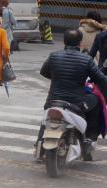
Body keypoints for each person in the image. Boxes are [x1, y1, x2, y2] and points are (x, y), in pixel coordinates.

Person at [39, 29, 107, 158]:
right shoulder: (86, 60)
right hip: (76, 102)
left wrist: (57, 78)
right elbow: (101, 79)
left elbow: (44, 72)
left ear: (64, 41)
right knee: (96, 100)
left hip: (53, 100)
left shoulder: (54, 56)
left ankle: (38, 143)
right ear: (80, 43)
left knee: (46, 120)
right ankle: (90, 137)